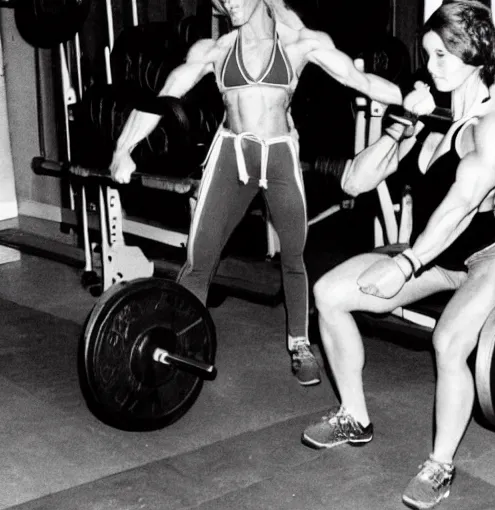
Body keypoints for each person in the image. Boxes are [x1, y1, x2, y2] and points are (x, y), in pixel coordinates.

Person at [108, 0, 403, 387]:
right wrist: (122, 149)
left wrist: (415, 101)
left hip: (278, 156)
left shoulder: (299, 44)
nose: (229, 3)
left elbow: (361, 81)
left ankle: (299, 343)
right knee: (200, 257)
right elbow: (163, 95)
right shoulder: (213, 50)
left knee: (294, 255)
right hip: (231, 156)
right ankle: (174, 336)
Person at [301, 2, 495, 510]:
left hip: (484, 260)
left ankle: (440, 464)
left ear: (476, 57)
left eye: (442, 56)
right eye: (427, 55)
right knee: (328, 294)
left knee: (447, 342)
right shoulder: (431, 121)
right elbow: (355, 180)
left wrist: (403, 264)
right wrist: (402, 124)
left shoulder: (493, 129)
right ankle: (354, 416)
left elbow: (460, 209)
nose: (431, 66)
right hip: (430, 257)